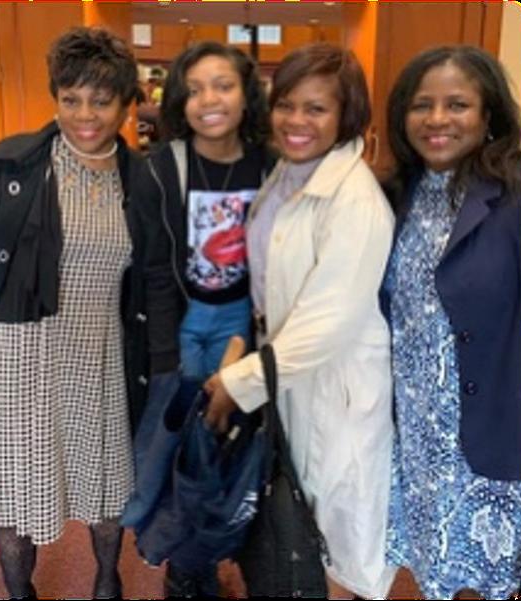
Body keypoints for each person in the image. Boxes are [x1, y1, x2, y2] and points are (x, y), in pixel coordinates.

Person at [0, 27, 146, 599]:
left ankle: (107, 582)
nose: (84, 115)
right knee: (15, 498)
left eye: (101, 100)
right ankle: (20, 593)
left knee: (107, 491)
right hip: (15, 359)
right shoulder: (7, 166)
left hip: (100, 354)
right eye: (70, 98)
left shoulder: (143, 181)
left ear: (126, 104)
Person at [204, 43, 397, 600]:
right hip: (285, 374)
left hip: (335, 387)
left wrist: (239, 383)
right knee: (293, 523)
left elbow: (326, 323)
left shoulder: (354, 200)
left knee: (336, 536)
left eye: (316, 109)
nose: (296, 120)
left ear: (345, 115)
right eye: (286, 104)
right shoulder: (288, 174)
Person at [124, 41, 274, 597]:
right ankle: (184, 566)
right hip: (186, 321)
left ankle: (211, 553)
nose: (209, 100)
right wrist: (167, 353)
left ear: (246, 95)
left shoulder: (271, 164)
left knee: (229, 439)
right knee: (181, 443)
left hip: (243, 320)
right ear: (179, 102)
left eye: (223, 86)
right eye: (194, 90)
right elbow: (154, 269)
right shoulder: (162, 168)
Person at [381, 45, 521, 600]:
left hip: (490, 422)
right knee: (433, 567)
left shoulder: (518, 192)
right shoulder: (399, 194)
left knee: (487, 576)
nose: (437, 119)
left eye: (457, 104)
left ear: (489, 115)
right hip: (418, 431)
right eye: (422, 105)